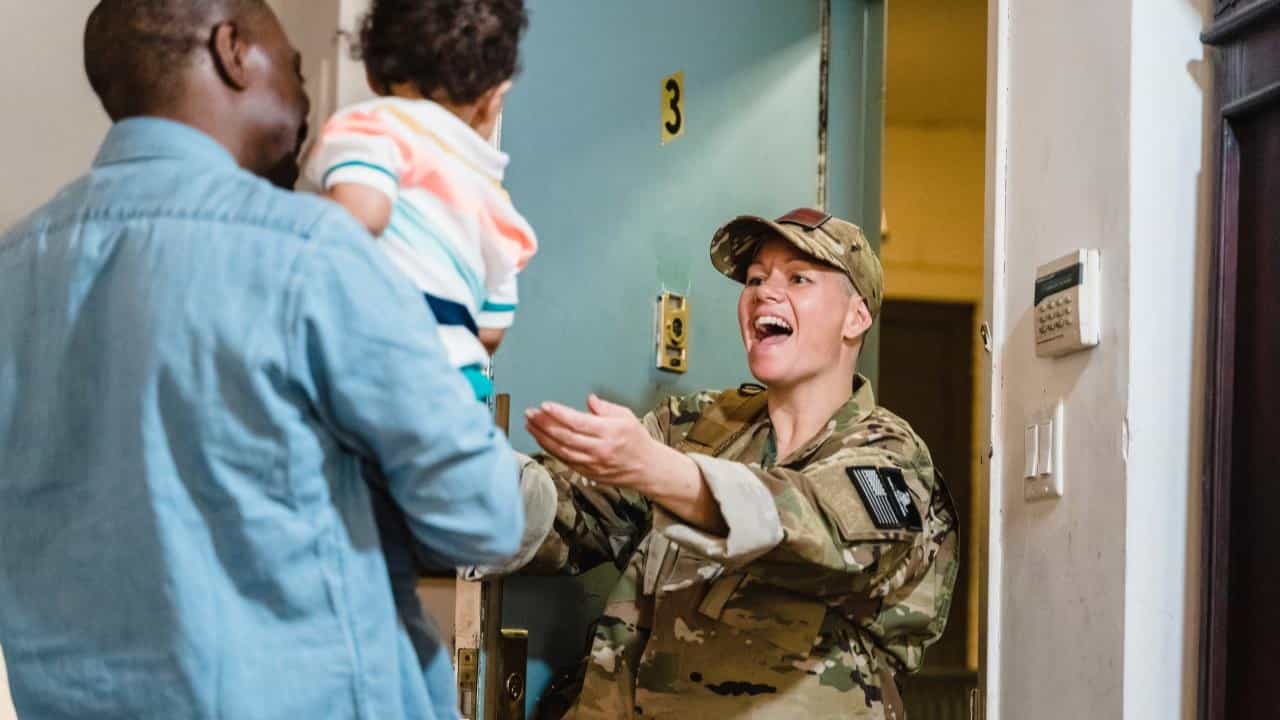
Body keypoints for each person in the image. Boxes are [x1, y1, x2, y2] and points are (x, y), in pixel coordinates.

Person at [0, 2, 523, 719]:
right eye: (300, 71)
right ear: (232, 50)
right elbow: (482, 518)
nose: (310, 101)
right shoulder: (308, 252)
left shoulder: (14, 268)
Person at [493, 209, 960, 719]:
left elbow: (814, 532)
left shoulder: (891, 458)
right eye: (756, 279)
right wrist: (464, 475)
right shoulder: (696, 425)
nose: (764, 293)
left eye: (798, 278)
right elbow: (571, 511)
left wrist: (657, 469)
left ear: (856, 317)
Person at [304, 0, 537, 401]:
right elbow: (491, 331)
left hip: (373, 361)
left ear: (374, 75)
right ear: (494, 99)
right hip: (455, 388)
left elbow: (362, 216)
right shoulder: (497, 202)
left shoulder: (373, 127)